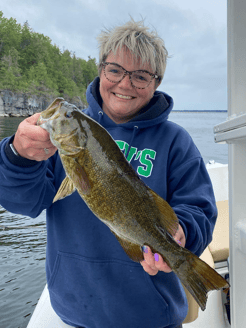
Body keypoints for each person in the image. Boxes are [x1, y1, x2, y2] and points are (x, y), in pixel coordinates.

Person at [0, 19, 217, 328]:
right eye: (115, 70)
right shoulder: (55, 145)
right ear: (101, 69)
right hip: (75, 312)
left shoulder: (176, 142)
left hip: (151, 317)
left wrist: (182, 233)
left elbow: (199, 209)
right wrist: (17, 155)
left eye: (140, 76)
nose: (124, 84)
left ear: (156, 83)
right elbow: (23, 202)